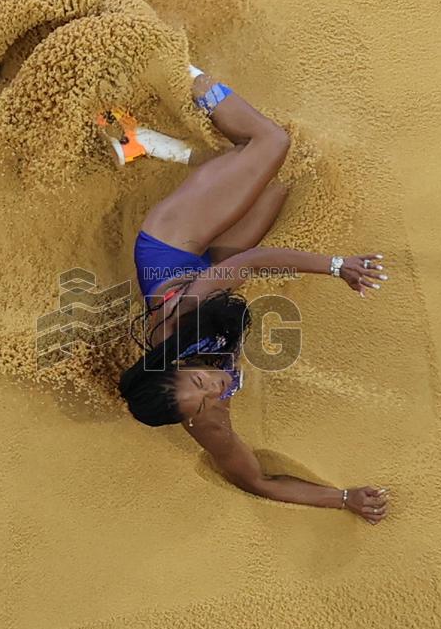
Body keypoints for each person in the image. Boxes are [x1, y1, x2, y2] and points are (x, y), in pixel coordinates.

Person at [116, 66, 390, 525]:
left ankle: (173, 66)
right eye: (204, 402)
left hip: (171, 244)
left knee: (271, 144)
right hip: (210, 266)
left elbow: (253, 261)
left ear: (175, 363)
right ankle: (140, 142)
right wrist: (344, 499)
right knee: (283, 180)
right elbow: (257, 480)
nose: (216, 390)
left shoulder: (180, 319)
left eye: (200, 384)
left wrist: (339, 266)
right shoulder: (206, 422)